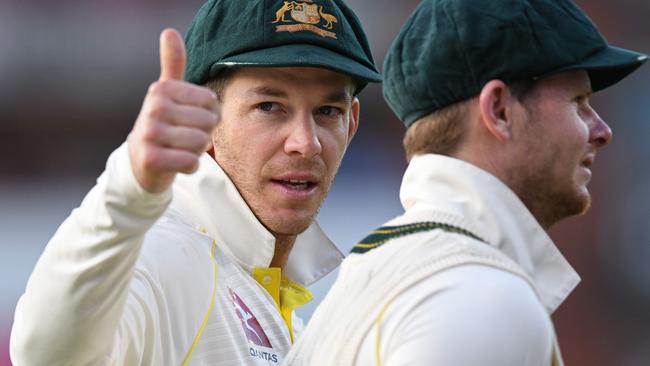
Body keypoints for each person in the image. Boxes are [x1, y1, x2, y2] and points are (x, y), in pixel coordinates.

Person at [10, 0, 380, 365]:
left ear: (351, 124)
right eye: (269, 106)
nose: (306, 142)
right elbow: (45, 355)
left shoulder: (275, 303)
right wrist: (128, 190)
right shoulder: (163, 258)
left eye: (328, 111)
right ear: (204, 118)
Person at [283, 0, 647, 365]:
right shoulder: (478, 292)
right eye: (578, 101)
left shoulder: (381, 271)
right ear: (499, 111)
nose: (602, 130)